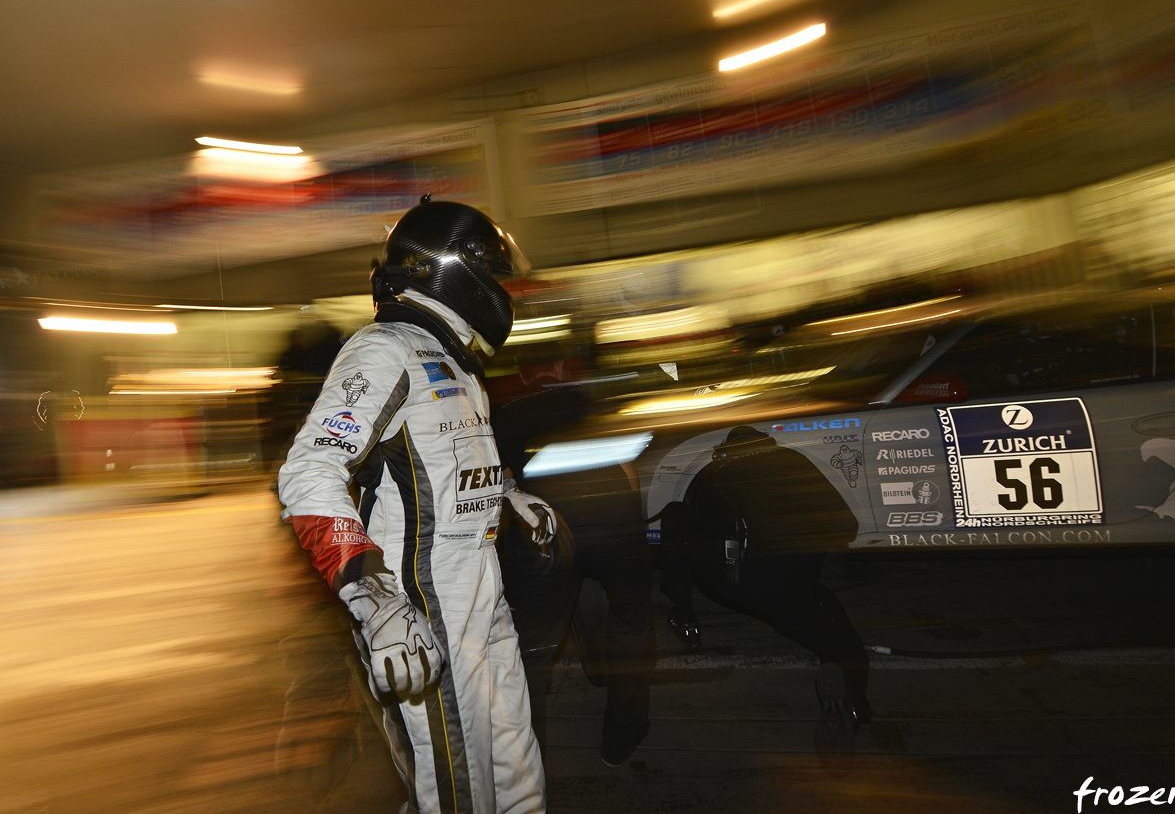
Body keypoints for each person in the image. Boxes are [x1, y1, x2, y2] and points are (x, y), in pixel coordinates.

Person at [277, 197, 553, 814]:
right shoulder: (384, 350)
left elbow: (440, 460)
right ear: (449, 270)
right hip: (423, 619)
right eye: (491, 270)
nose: (499, 286)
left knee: (519, 786)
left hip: (485, 605)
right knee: (455, 800)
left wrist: (509, 496)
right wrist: (375, 602)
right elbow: (308, 473)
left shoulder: (453, 357)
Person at [658, 425, 870, 777]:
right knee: (842, 642)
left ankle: (684, 615)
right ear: (768, 445)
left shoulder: (715, 474)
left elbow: (707, 534)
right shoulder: (796, 461)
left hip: (731, 582)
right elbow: (847, 528)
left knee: (675, 515)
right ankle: (853, 707)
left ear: (725, 450)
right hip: (793, 585)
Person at [492, 381, 656, 768]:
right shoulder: (585, 400)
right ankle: (621, 738)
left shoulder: (503, 414)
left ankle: (528, 760)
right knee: (631, 623)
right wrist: (631, 529)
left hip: (548, 528)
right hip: (613, 515)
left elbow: (501, 482)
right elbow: (625, 468)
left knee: (533, 648)